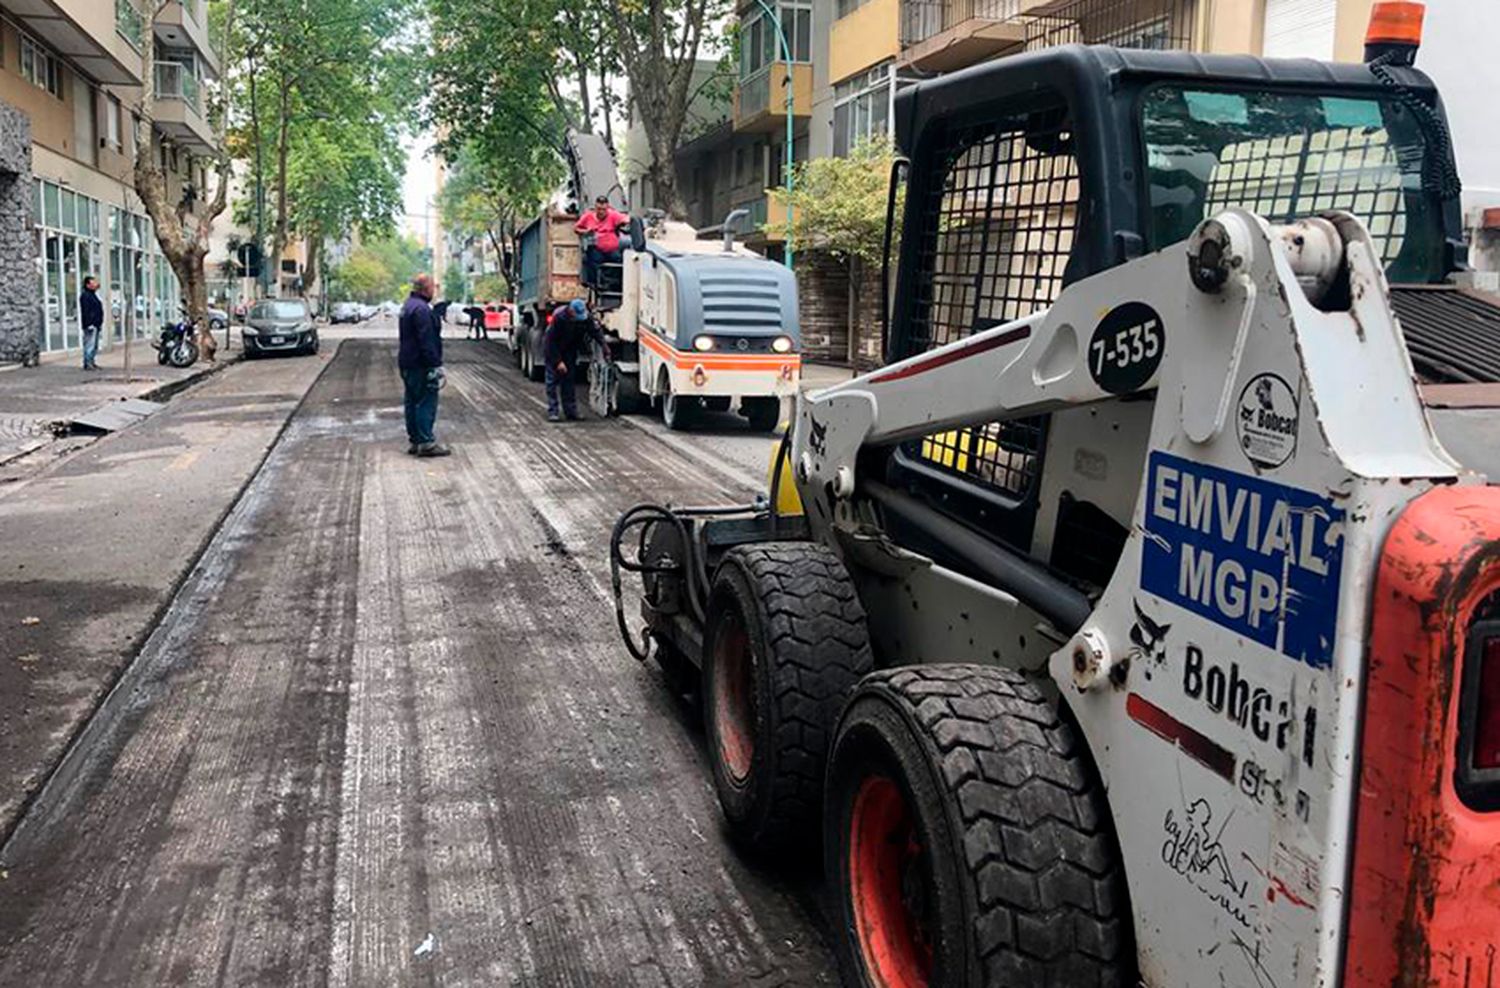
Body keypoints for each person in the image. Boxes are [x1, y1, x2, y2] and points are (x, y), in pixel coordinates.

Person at [398, 273, 451, 457]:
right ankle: (426, 442)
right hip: (421, 364)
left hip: (407, 362)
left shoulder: (408, 306)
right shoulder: (422, 310)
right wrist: (434, 365)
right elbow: (426, 340)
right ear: (425, 288)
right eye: (432, 287)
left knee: (412, 402)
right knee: (425, 401)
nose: (434, 290)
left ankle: (415, 440)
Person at [543, 298, 606, 423]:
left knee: (569, 382)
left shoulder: (584, 318)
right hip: (554, 350)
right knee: (552, 382)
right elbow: (550, 343)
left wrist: (604, 346)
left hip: (570, 350)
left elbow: (595, 331)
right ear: (571, 311)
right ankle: (553, 411)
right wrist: (558, 362)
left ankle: (571, 411)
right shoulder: (559, 318)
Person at [574, 196, 629, 290]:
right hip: (597, 249)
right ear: (595, 208)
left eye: (604, 209)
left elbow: (626, 219)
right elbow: (576, 228)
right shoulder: (588, 216)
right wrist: (586, 231)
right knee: (590, 258)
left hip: (612, 250)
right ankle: (595, 284)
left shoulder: (613, 215)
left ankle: (613, 284)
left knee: (620, 260)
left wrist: (623, 223)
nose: (601, 212)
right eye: (599, 209)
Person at [79, 276, 103, 370]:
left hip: (96, 324)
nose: (95, 285)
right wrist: (89, 323)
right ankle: (88, 363)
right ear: (87, 285)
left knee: (94, 345)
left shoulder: (93, 295)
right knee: (90, 344)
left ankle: (91, 361)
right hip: (90, 324)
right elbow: (86, 311)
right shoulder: (85, 296)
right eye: (92, 283)